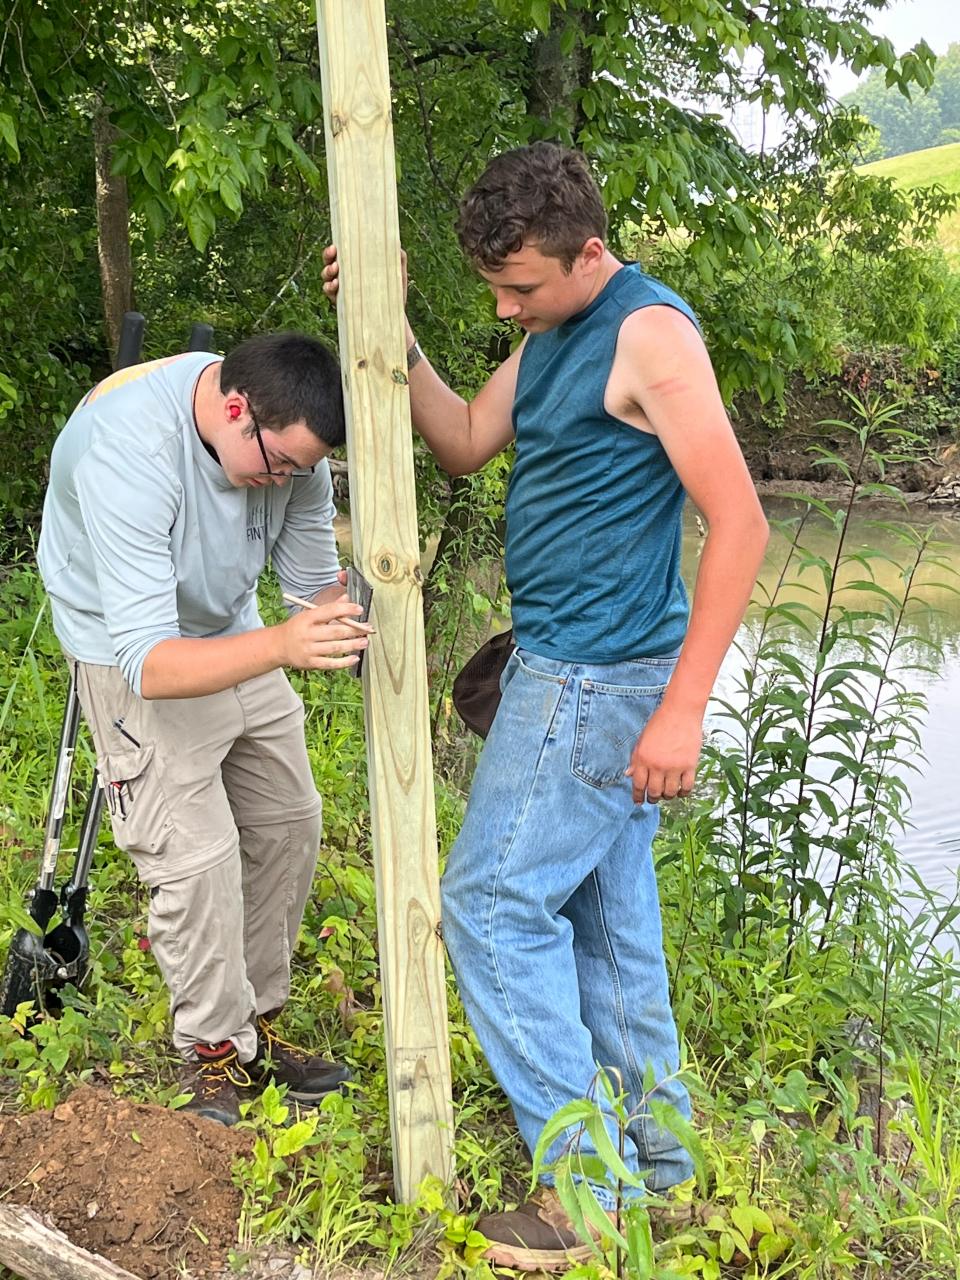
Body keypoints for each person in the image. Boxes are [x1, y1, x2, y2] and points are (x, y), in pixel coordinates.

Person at [324, 141, 768, 1270]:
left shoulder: (648, 335)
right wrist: (397, 330)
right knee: (605, 921)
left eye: (522, 285)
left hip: (598, 677)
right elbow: (466, 442)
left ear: (593, 253)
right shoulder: (552, 332)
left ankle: (587, 1192)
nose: (507, 305)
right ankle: (660, 1166)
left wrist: (683, 709)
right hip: (565, 667)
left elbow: (742, 524)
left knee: (487, 905)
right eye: (496, 288)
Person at [37, 331, 373, 1127]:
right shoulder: (130, 451)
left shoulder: (295, 451)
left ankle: (253, 1022)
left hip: (228, 626)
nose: (285, 480)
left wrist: (354, 616)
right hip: (133, 655)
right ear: (235, 409)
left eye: (301, 468)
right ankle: (212, 1053)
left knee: (289, 820)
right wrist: (288, 647)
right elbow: (151, 661)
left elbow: (309, 586)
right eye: (277, 466)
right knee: (196, 858)